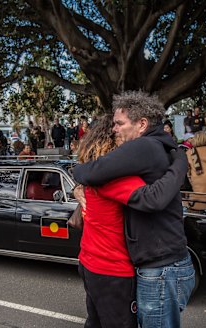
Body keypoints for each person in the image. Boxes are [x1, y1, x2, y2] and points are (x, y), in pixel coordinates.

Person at [73, 91, 194, 328]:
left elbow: (153, 198)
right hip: (156, 263)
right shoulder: (157, 146)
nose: (115, 129)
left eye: (119, 123)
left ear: (142, 124)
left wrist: (80, 175)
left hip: (160, 266)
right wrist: (180, 160)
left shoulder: (145, 146)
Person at [186, 131, 206, 210]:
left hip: (198, 178)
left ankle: (199, 212)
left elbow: (188, 167)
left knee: (199, 200)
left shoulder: (189, 152)